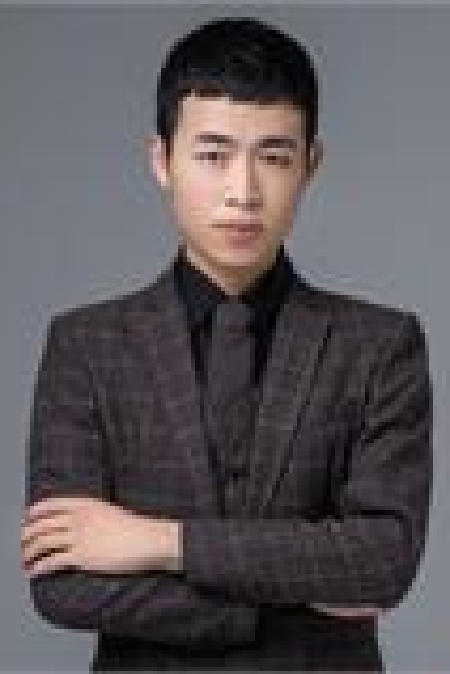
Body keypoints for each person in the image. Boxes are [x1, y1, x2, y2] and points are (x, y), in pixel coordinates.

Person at [21, 15, 433, 672]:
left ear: (310, 166)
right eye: (212, 156)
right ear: (162, 161)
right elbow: (62, 583)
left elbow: (383, 560)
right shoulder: (86, 346)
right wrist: (285, 605)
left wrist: (163, 542)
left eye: (274, 157)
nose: (243, 192)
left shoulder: (381, 346)